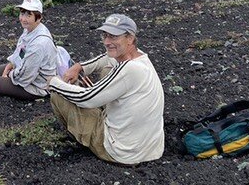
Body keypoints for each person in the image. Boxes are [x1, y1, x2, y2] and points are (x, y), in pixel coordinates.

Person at [47, 13, 164, 165]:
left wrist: (54, 82)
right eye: (105, 36)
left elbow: (86, 99)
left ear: (130, 38)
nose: (107, 42)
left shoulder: (130, 69)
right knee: (108, 68)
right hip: (150, 149)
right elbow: (107, 57)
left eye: (114, 37)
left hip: (121, 152)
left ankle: (81, 139)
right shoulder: (139, 57)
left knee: (59, 95)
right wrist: (80, 66)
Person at [0, 0, 58, 101]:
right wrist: (11, 64)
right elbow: (20, 52)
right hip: (27, 71)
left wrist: (9, 75)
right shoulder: (30, 29)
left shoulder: (39, 44)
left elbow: (25, 76)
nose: (23, 19)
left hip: (37, 85)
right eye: (22, 13)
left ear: (39, 17)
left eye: (29, 15)